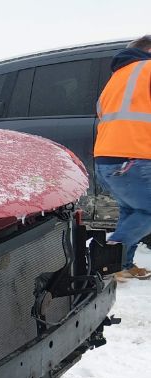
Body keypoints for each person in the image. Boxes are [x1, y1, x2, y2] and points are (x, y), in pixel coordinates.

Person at [94, 34, 151, 281]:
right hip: (135, 157)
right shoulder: (148, 69)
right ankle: (107, 257)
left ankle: (120, 265)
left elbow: (100, 111)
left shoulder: (117, 78)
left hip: (107, 159)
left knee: (131, 211)